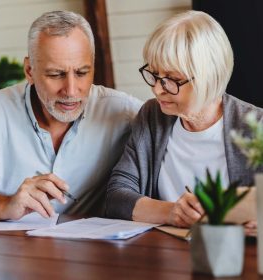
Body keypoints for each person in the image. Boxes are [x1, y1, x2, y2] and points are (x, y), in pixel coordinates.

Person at [0, 11, 142, 220]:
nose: (71, 90)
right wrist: (6, 205)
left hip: (97, 249)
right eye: (56, 74)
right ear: (29, 71)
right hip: (16, 247)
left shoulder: (124, 112)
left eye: (81, 73)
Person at [106, 10, 263, 229]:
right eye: (154, 74)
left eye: (172, 79)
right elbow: (116, 197)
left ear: (209, 76)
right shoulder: (152, 116)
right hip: (163, 253)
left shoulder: (256, 126)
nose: (157, 89)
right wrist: (171, 212)